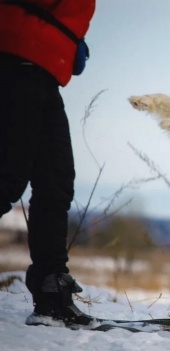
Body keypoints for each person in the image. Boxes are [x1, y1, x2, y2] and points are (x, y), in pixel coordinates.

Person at [0, 0, 96, 328]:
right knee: (6, 178)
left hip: (43, 70)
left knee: (56, 182)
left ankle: (51, 295)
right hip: (14, 63)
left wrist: (66, 43)